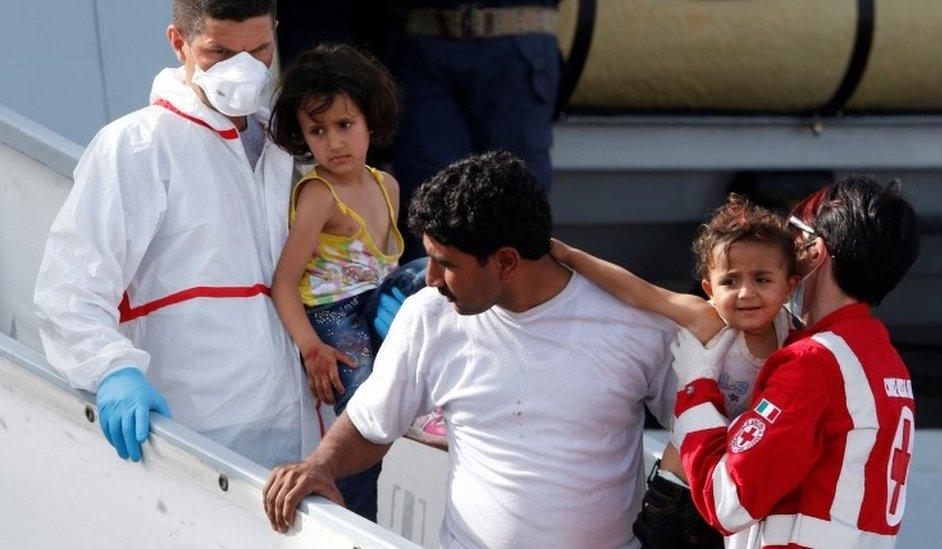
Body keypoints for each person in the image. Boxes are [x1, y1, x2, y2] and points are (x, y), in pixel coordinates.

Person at [263, 151, 678, 548]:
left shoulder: (634, 321)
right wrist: (319, 466)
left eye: (446, 263)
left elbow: (699, 430)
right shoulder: (428, 315)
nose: (429, 279)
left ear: (506, 262)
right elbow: (371, 423)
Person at [32, 0, 320, 469]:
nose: (243, 71)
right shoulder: (136, 147)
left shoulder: (292, 146)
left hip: (301, 441)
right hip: (193, 443)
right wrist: (113, 369)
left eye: (259, 51)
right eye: (219, 53)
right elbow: (70, 291)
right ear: (178, 42)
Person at [671, 177, 920, 548]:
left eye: (794, 240)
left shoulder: (815, 362)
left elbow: (728, 501)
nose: (788, 254)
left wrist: (695, 386)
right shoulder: (886, 361)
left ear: (816, 252)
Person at [550, 194, 800, 548]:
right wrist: (570, 256)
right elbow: (640, 293)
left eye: (762, 279)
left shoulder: (791, 331)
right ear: (709, 288)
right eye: (730, 281)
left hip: (734, 494)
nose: (746, 292)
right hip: (680, 495)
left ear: (789, 286)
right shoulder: (708, 319)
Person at [267, 43, 427, 521]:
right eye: (318, 130)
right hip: (334, 318)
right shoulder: (319, 195)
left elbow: (391, 274)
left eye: (345, 125)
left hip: (377, 305)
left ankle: (436, 400)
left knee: (435, 273)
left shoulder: (388, 185)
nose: (334, 142)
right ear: (303, 136)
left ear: (370, 122)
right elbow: (284, 284)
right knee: (363, 418)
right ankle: (354, 517)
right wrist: (311, 347)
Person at [392, 1, 562, 262]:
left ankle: (522, 302)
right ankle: (433, 300)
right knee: (428, 204)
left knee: (517, 202)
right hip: (425, 40)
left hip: (514, 35)